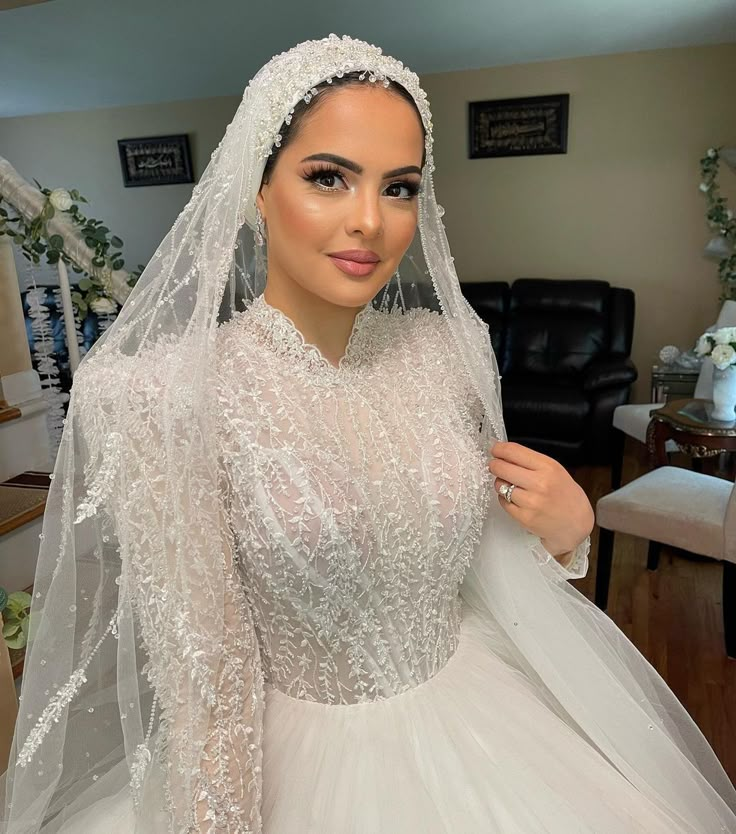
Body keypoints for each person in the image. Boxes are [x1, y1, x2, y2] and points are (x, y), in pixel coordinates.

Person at [1, 33, 735, 834]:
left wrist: (566, 535)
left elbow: (472, 566)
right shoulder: (158, 398)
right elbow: (204, 676)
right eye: (328, 178)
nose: (370, 222)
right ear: (257, 187)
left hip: (489, 718)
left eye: (399, 187)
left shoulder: (448, 349)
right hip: (302, 769)